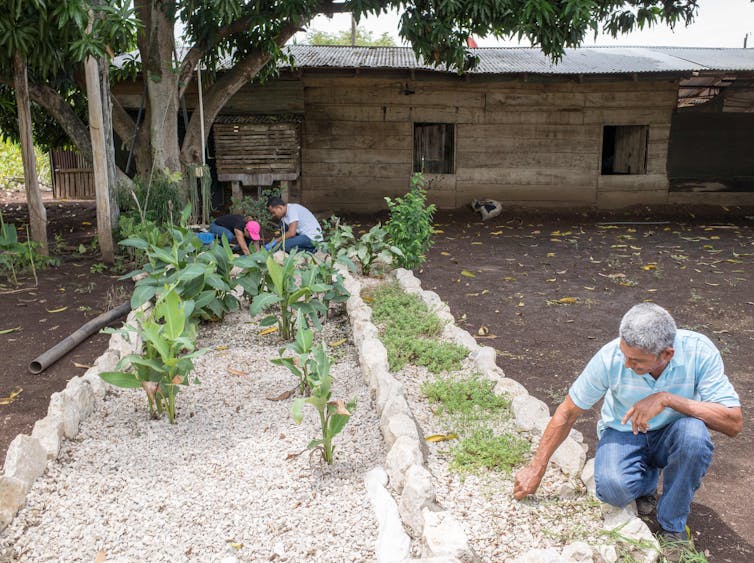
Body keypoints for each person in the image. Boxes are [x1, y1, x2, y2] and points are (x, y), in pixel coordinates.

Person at [513, 303, 742, 548]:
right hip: (624, 431)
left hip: (674, 432)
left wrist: (667, 399)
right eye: (625, 355)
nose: (626, 364)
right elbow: (568, 412)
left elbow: (733, 422)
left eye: (636, 361)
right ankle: (647, 481)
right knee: (613, 490)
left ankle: (672, 527)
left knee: (695, 438)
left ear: (666, 354)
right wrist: (537, 467)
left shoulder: (699, 351)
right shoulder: (609, 357)